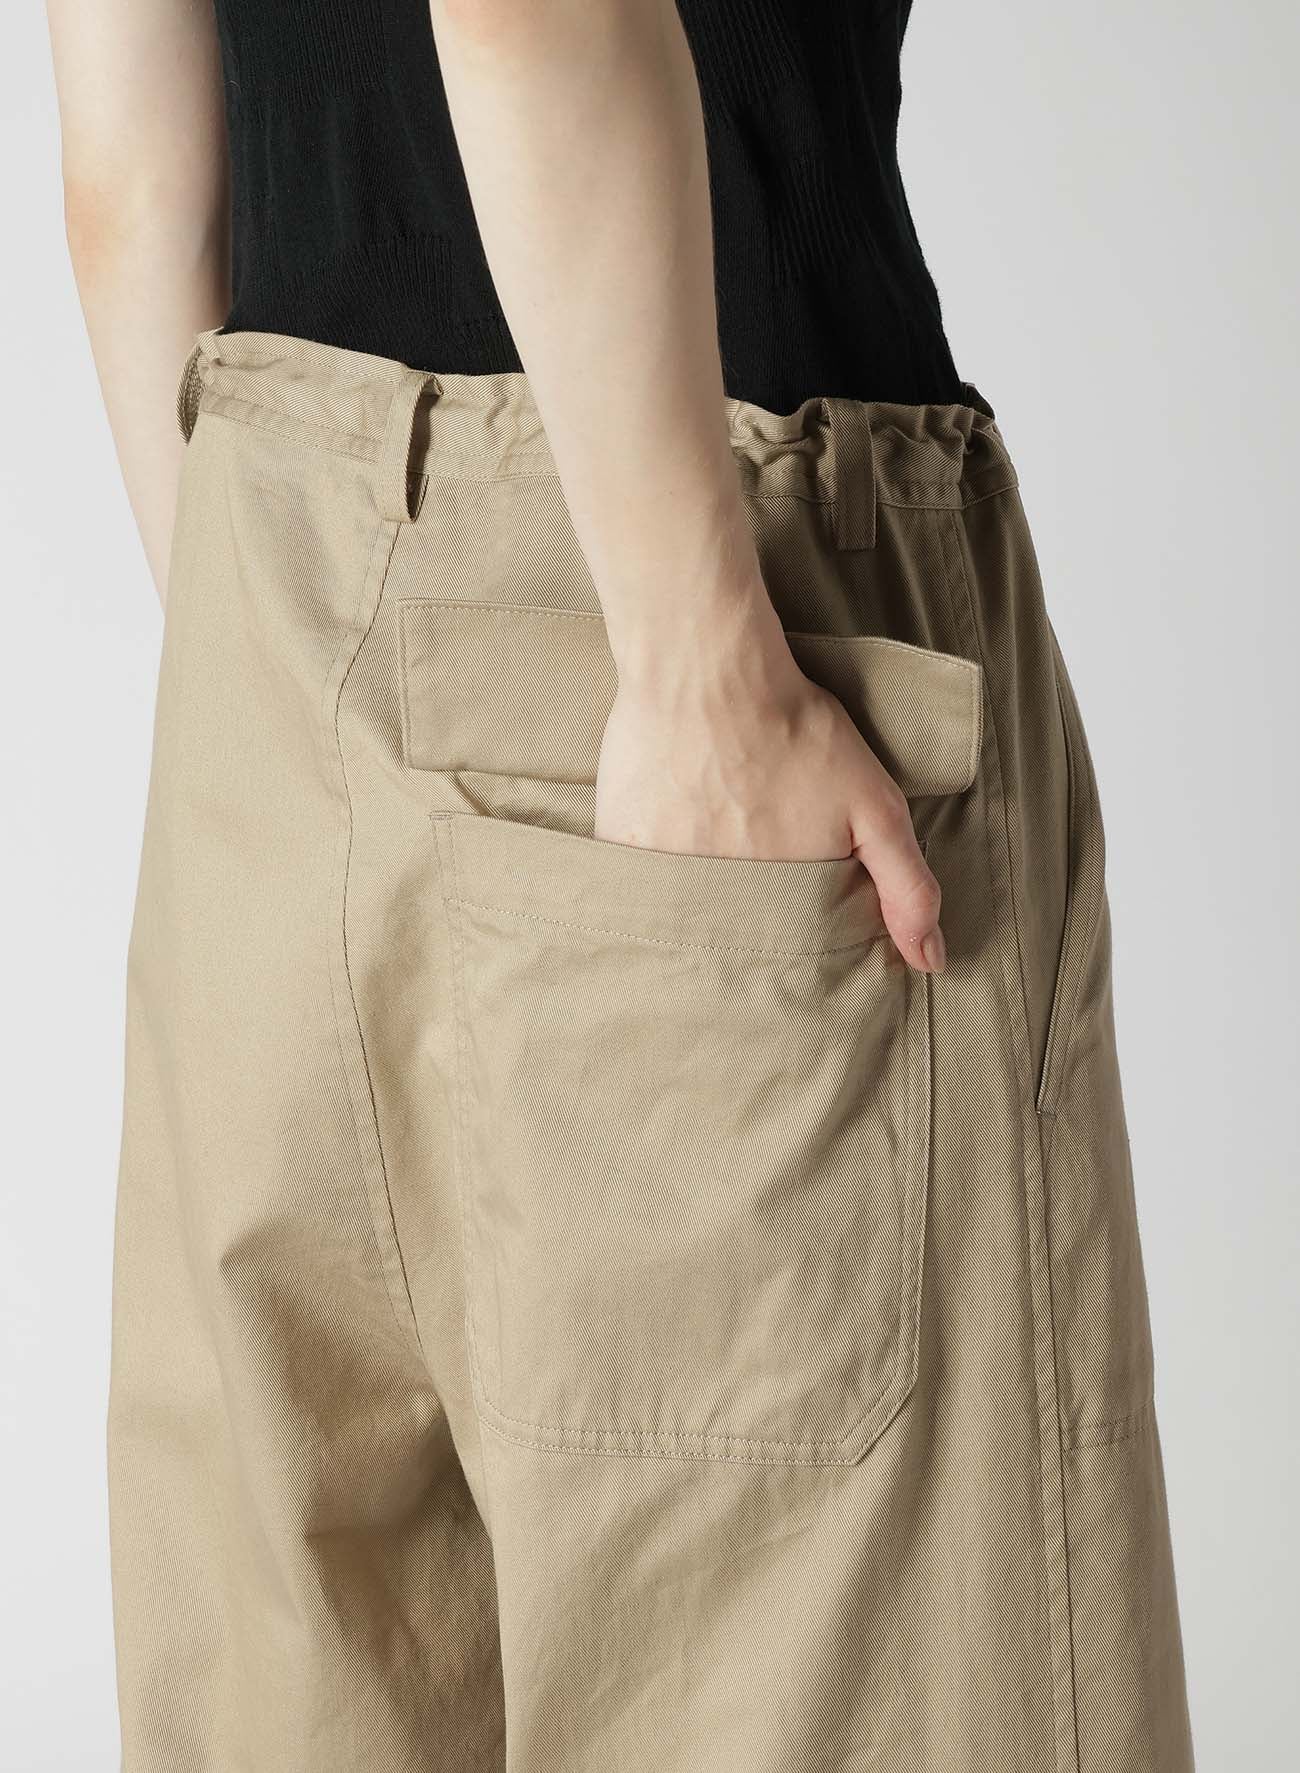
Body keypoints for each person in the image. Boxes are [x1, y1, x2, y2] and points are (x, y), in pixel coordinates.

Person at [47, 2, 1193, 1768]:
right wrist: (696, 649)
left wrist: (262, 665)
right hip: (710, 590)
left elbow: (130, 187)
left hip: (267, 660)